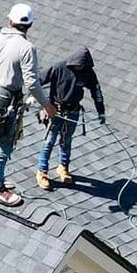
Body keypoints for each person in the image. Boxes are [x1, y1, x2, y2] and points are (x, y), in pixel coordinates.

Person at [0, 3, 55, 207]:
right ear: (29, 26)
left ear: (9, 20)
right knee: (5, 143)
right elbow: (31, 82)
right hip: (9, 99)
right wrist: (46, 105)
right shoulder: (26, 48)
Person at [35, 48, 106, 191]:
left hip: (73, 112)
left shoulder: (87, 73)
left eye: (82, 66)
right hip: (55, 111)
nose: (79, 68)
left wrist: (101, 111)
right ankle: (42, 172)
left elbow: (96, 91)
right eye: (78, 65)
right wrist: (35, 98)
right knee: (49, 141)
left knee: (66, 141)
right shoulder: (59, 68)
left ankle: (63, 167)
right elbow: (38, 81)